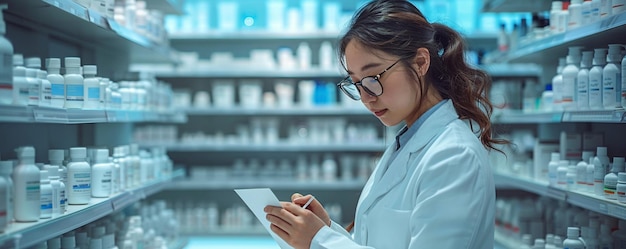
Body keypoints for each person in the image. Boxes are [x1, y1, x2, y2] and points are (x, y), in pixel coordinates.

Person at [264, 0, 506, 248]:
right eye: (357, 83)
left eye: (373, 78)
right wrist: (327, 230)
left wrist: (319, 241)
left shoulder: (454, 156)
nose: (367, 97)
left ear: (421, 63)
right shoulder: (406, 141)